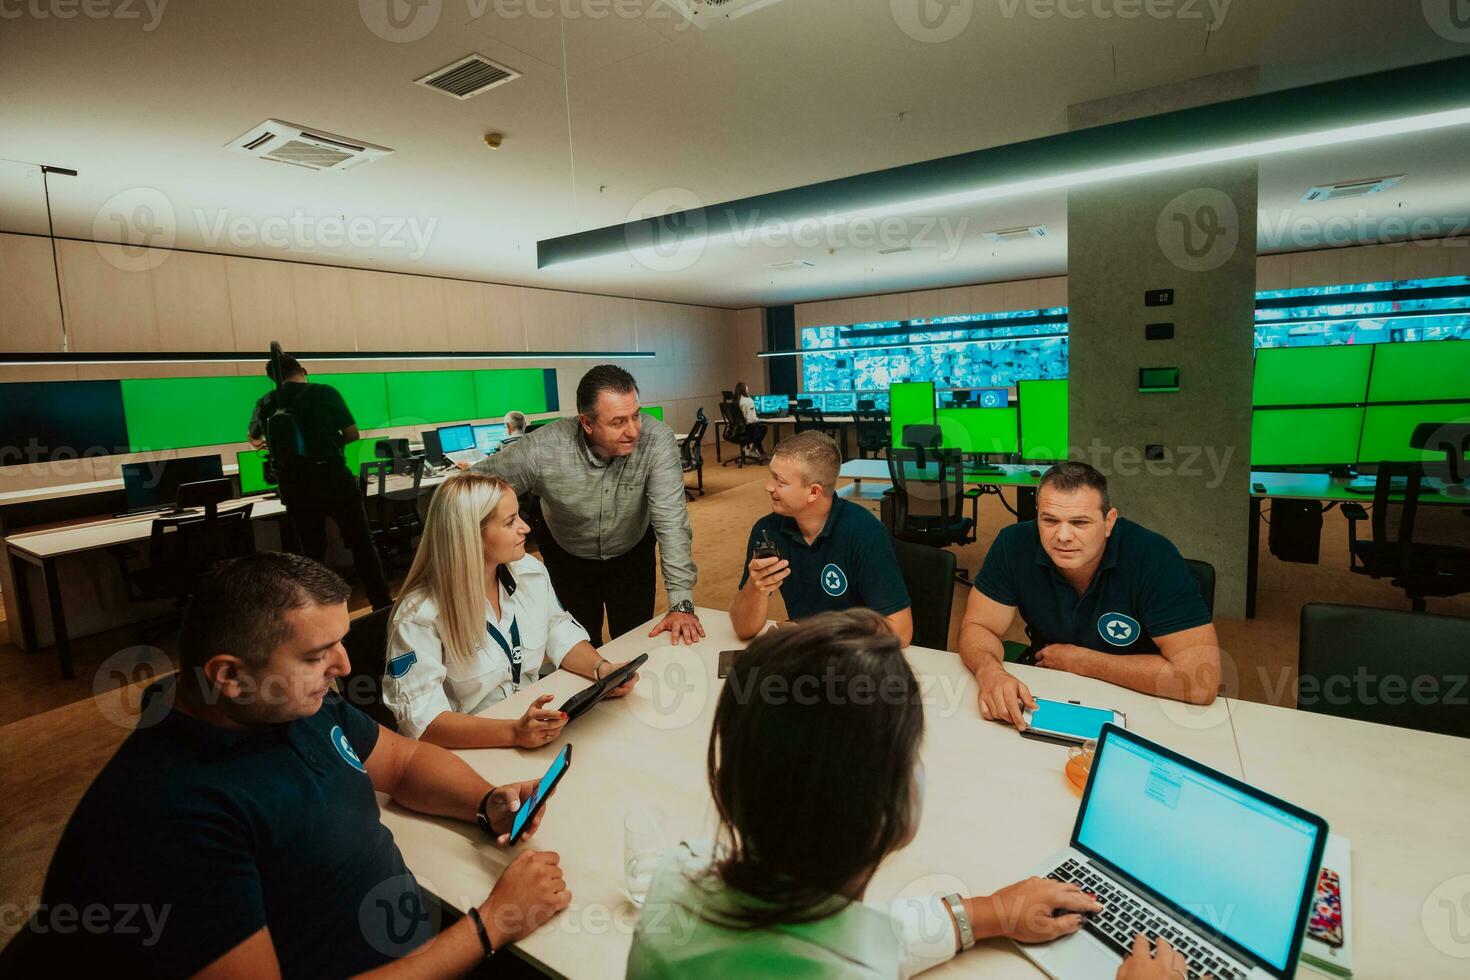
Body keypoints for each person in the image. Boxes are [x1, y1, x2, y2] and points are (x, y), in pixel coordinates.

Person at [27, 553, 570, 977]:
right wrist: (491, 924)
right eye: (317, 655)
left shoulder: (284, 702)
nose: (344, 665)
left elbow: (402, 762)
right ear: (227, 676)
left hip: (423, 942)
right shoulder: (168, 819)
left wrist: (485, 802)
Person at [626, 610, 1186, 979]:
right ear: (902, 809)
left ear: (725, 782)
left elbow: (856, 938)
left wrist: (988, 913)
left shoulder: (673, 878)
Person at [384, 472, 639, 748]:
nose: (525, 528)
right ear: (471, 535)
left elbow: (557, 629)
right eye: (510, 522)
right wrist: (514, 733)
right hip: (472, 747)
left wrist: (602, 670)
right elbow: (423, 723)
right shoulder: (419, 616)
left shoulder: (529, 571)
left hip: (529, 724)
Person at [957, 461, 1220, 727]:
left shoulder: (1153, 557)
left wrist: (1084, 661)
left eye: (1080, 522)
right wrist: (989, 671)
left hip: (1142, 699)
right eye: (1049, 520)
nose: (1062, 536)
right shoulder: (1013, 544)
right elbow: (979, 626)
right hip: (1049, 689)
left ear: (1109, 522)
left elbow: (1200, 681)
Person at [471, 365, 703, 645]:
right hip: (567, 556)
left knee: (635, 642)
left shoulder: (656, 440)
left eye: (636, 416)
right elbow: (466, 489)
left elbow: (672, 522)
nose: (633, 431)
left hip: (631, 552)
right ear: (587, 423)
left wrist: (681, 604)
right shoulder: (543, 448)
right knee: (577, 642)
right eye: (618, 422)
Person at [729, 431, 912, 644]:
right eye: (771, 475)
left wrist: (812, 632)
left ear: (813, 492)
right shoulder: (767, 531)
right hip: (809, 657)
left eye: (780, 481)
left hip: (857, 659)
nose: (768, 486)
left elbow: (900, 630)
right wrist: (755, 588)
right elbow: (744, 629)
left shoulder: (865, 532)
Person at [247, 353, 392, 610]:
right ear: (303, 370)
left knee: (311, 551)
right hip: (333, 477)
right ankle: (381, 604)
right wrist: (327, 444)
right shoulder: (324, 393)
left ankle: (318, 610)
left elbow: (253, 437)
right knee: (361, 543)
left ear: (272, 378)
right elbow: (352, 433)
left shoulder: (265, 402)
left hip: (295, 485)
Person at [733, 381, 769, 461]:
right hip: (747, 430)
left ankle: (761, 453)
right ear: (744, 389)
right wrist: (761, 419)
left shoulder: (735, 401)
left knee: (758, 428)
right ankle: (753, 450)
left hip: (736, 430)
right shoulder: (748, 401)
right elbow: (751, 420)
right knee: (763, 428)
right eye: (747, 387)